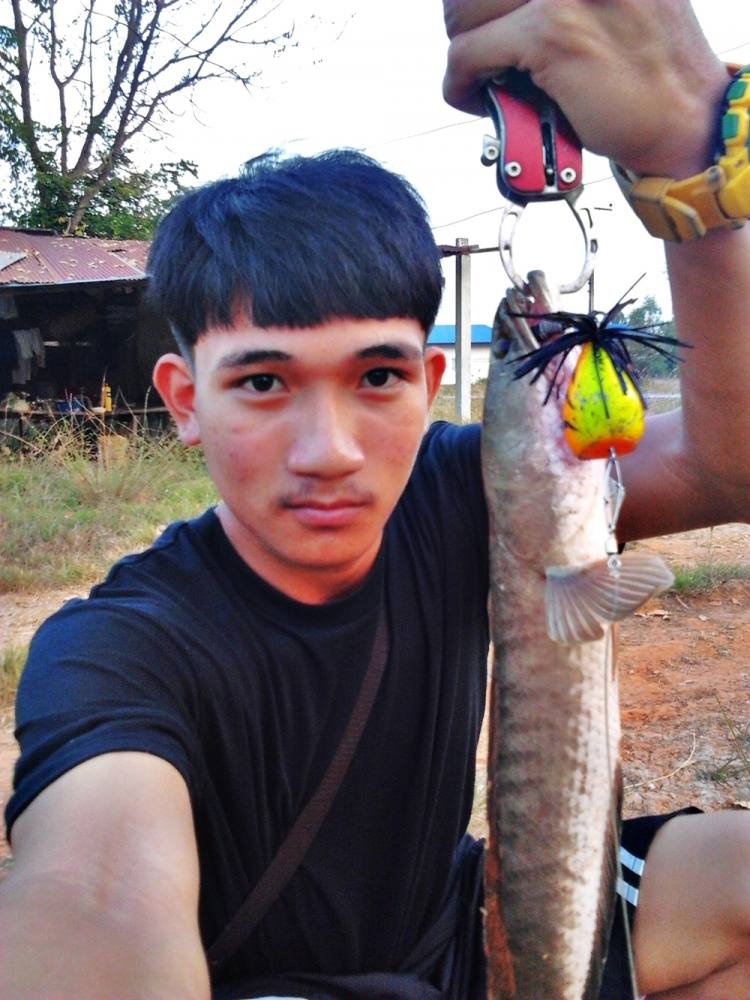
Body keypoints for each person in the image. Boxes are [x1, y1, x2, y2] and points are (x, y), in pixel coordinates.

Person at [1, 1, 749, 997]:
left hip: (464, 938)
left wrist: (694, 146)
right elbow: (93, 896)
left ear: (434, 378)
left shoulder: (466, 491)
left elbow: (724, 463)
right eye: (264, 383)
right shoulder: (119, 647)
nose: (331, 451)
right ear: (184, 400)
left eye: (378, 377)